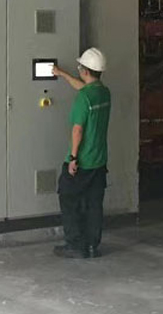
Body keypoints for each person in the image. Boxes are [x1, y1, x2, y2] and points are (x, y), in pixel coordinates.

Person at [51, 48, 111, 259]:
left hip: (82, 161)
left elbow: (77, 130)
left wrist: (73, 158)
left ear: (85, 71)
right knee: (94, 203)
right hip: (99, 161)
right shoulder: (104, 92)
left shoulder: (83, 98)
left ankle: (75, 245)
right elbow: (83, 87)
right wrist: (62, 73)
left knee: (68, 198)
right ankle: (92, 245)